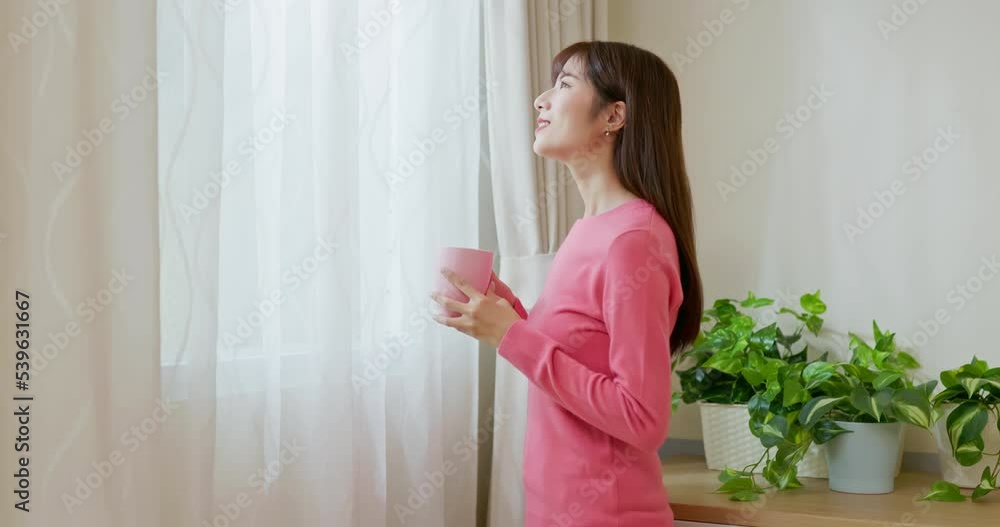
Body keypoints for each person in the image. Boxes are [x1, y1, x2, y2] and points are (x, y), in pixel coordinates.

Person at [431, 40, 703, 527]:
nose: (540, 99)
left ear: (613, 116)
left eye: (564, 84)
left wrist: (509, 335)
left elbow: (642, 418)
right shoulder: (589, 229)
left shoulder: (632, 240)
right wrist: (507, 311)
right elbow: (580, 355)